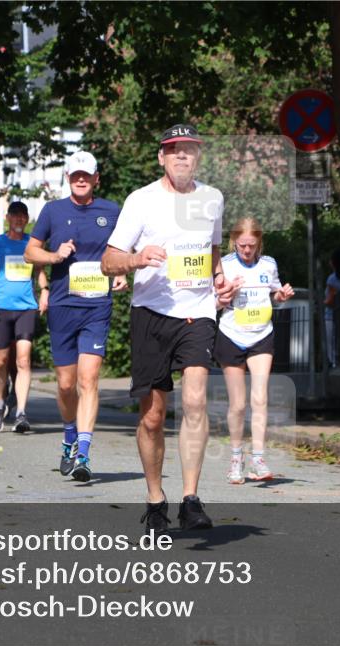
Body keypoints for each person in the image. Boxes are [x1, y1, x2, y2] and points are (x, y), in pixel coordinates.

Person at [101, 123, 242, 533]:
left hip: (198, 312)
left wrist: (219, 278)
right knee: (152, 416)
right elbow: (109, 261)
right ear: (161, 157)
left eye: (190, 149)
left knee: (195, 400)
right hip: (151, 313)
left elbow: (212, 249)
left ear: (198, 157)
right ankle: (155, 499)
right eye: (174, 149)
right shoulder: (141, 200)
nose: (182, 155)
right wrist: (136, 258)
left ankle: (191, 499)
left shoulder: (212, 198)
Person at [25, 150, 125, 481]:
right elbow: (30, 252)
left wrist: (122, 270)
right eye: (75, 175)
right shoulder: (52, 211)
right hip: (63, 306)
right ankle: (69, 435)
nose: (81, 180)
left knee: (88, 379)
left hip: (97, 306)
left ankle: (83, 452)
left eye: (86, 175)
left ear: (96, 178)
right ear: (68, 178)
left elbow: (126, 249)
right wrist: (55, 256)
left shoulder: (111, 211)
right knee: (66, 385)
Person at [215, 218, 295, 483]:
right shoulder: (224, 265)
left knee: (260, 399)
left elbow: (274, 294)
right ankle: (236, 458)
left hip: (261, 335)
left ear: (259, 242)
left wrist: (281, 296)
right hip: (232, 335)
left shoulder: (269, 264)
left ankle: (258, 459)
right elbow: (213, 302)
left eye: (251, 245)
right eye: (242, 245)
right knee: (238, 404)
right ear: (233, 242)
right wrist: (227, 293)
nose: (247, 250)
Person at [0, 201, 42, 434]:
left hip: (26, 307)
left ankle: (21, 413)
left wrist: (45, 292)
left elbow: (40, 271)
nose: (18, 219)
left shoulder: (33, 244)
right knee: (0, 360)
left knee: (23, 360)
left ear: (27, 219)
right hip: (1, 308)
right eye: (14, 215)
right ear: (8, 218)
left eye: (22, 215)